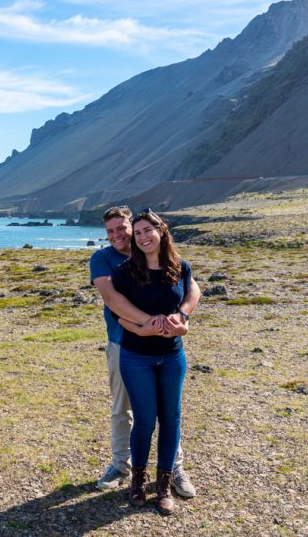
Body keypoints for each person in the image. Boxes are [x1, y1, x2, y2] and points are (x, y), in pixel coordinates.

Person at [89, 206, 199, 501]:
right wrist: (146, 326)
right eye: (110, 231)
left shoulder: (174, 262)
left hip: (168, 349)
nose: (117, 236)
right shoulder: (106, 260)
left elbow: (192, 290)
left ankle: (174, 470)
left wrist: (182, 318)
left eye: (122, 229)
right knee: (127, 409)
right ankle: (121, 467)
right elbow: (112, 299)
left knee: (170, 414)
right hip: (123, 344)